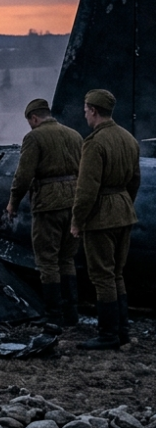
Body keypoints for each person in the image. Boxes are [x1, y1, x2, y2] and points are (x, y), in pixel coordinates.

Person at [70, 89, 141, 350]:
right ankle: (122, 332)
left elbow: (86, 189)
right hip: (124, 212)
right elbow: (135, 180)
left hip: (101, 216)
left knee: (102, 276)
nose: (85, 114)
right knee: (117, 274)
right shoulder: (129, 139)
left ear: (94, 111)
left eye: (86, 109)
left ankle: (107, 335)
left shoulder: (94, 143)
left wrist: (77, 220)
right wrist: (124, 204)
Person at [5, 98, 83, 329]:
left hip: (48, 205)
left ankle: (53, 315)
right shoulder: (75, 135)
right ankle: (71, 314)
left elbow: (23, 176)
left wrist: (13, 202)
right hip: (74, 203)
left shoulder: (34, 137)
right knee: (66, 258)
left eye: (30, 121)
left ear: (34, 118)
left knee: (47, 260)